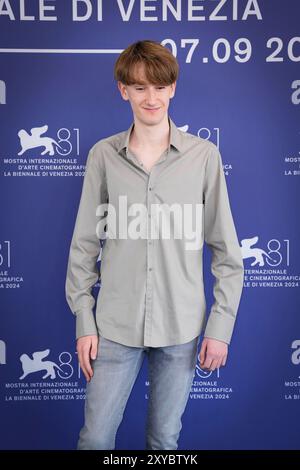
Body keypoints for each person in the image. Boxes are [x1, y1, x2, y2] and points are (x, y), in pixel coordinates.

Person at [65, 39, 244, 450]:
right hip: (113, 325)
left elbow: (227, 253)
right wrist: (83, 318)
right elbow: (84, 245)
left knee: (164, 440)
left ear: (173, 88)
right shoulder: (103, 157)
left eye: (160, 87)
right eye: (141, 87)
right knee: (94, 440)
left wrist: (221, 328)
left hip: (181, 327)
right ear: (123, 90)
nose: (152, 98)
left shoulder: (204, 157)